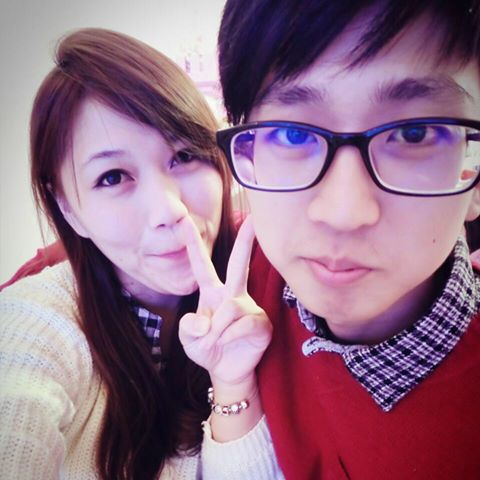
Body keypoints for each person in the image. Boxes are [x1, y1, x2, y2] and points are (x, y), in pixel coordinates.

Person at [213, 0, 480, 478]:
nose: (343, 214)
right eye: (292, 135)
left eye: (414, 133)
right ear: (248, 155)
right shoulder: (242, 281)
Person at [0, 28, 279, 479]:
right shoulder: (38, 322)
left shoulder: (270, 283)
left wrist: (233, 382)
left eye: (184, 156)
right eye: (113, 177)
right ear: (68, 209)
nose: (169, 211)